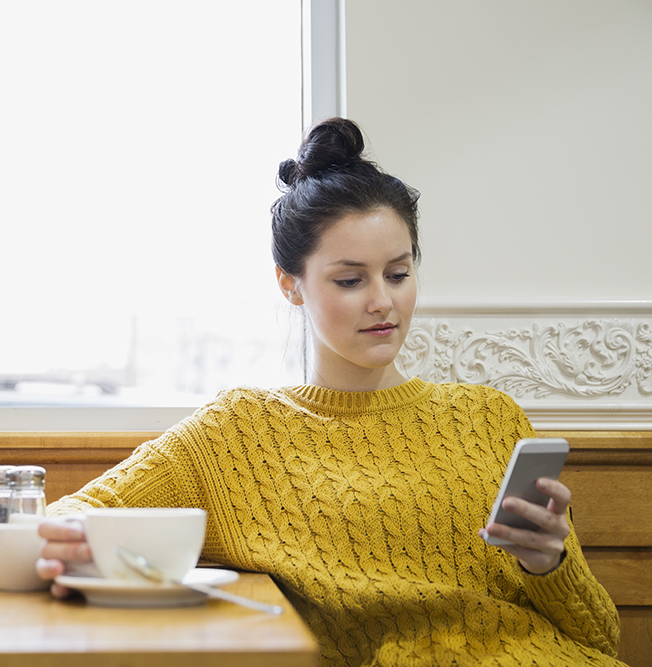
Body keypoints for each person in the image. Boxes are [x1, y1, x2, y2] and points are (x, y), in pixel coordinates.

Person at [35, 117, 623, 666]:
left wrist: (550, 564)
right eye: (350, 279)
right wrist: (94, 549)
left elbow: (600, 638)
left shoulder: (490, 417)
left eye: (398, 273)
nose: (382, 302)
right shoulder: (237, 432)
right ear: (291, 286)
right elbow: (68, 517)